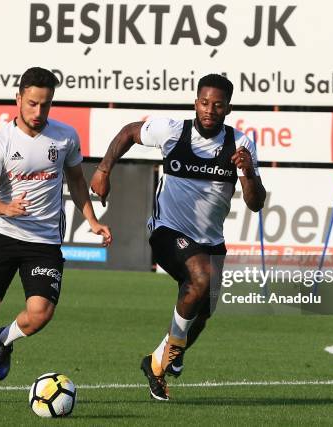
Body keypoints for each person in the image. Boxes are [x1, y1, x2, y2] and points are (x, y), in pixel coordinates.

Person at [90, 73, 266, 401]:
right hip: (166, 230)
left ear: (228, 108)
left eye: (217, 105)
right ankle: (171, 351)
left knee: (204, 311)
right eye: (204, 102)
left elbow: (256, 204)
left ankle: (160, 360)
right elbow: (129, 132)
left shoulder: (241, 144)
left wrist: (248, 172)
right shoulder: (172, 131)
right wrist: (103, 170)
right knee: (201, 278)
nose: (209, 110)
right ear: (195, 102)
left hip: (210, 241)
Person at [0, 67, 112, 404]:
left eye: (46, 105)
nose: (39, 112)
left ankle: (5, 339)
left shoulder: (65, 137)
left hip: (45, 242)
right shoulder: (0, 142)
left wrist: (92, 220)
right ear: (18, 99)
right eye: (33, 103)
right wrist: (5, 208)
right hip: (2, 237)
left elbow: (77, 181)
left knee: (40, 314)